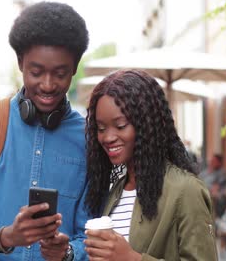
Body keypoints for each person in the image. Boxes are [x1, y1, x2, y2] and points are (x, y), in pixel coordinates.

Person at [0, 2, 90, 261]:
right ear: (20, 63)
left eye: (60, 74)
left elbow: (89, 237)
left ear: (74, 68)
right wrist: (5, 237)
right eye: (36, 72)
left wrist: (68, 252)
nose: (47, 85)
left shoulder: (88, 140)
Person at [83, 70, 218, 260]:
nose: (108, 137)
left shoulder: (186, 190)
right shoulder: (116, 190)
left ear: (145, 124)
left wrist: (133, 258)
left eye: (120, 126)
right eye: (101, 128)